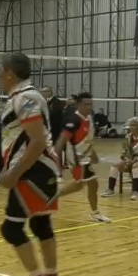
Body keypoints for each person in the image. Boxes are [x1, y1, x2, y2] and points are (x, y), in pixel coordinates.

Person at [0, 53, 65, 276]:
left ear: (9, 74)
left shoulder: (25, 98)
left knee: (11, 228)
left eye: (1, 72)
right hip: (41, 170)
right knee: (40, 225)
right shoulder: (25, 96)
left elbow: (36, 141)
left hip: (33, 171)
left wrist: (13, 173)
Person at [53, 93, 110, 223]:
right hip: (76, 159)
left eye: (90, 104)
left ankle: (94, 213)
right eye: (86, 104)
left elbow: (87, 140)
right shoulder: (73, 120)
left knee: (86, 184)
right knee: (87, 183)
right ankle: (51, 197)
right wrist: (57, 166)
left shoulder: (89, 118)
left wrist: (93, 154)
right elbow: (60, 143)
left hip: (85, 157)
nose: (89, 107)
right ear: (78, 104)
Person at [102, 117, 138, 200]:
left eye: (134, 125)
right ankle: (110, 189)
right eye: (130, 125)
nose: (131, 127)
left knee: (136, 166)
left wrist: (136, 160)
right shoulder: (128, 137)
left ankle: (136, 192)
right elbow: (124, 151)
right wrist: (126, 159)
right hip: (130, 160)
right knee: (115, 165)